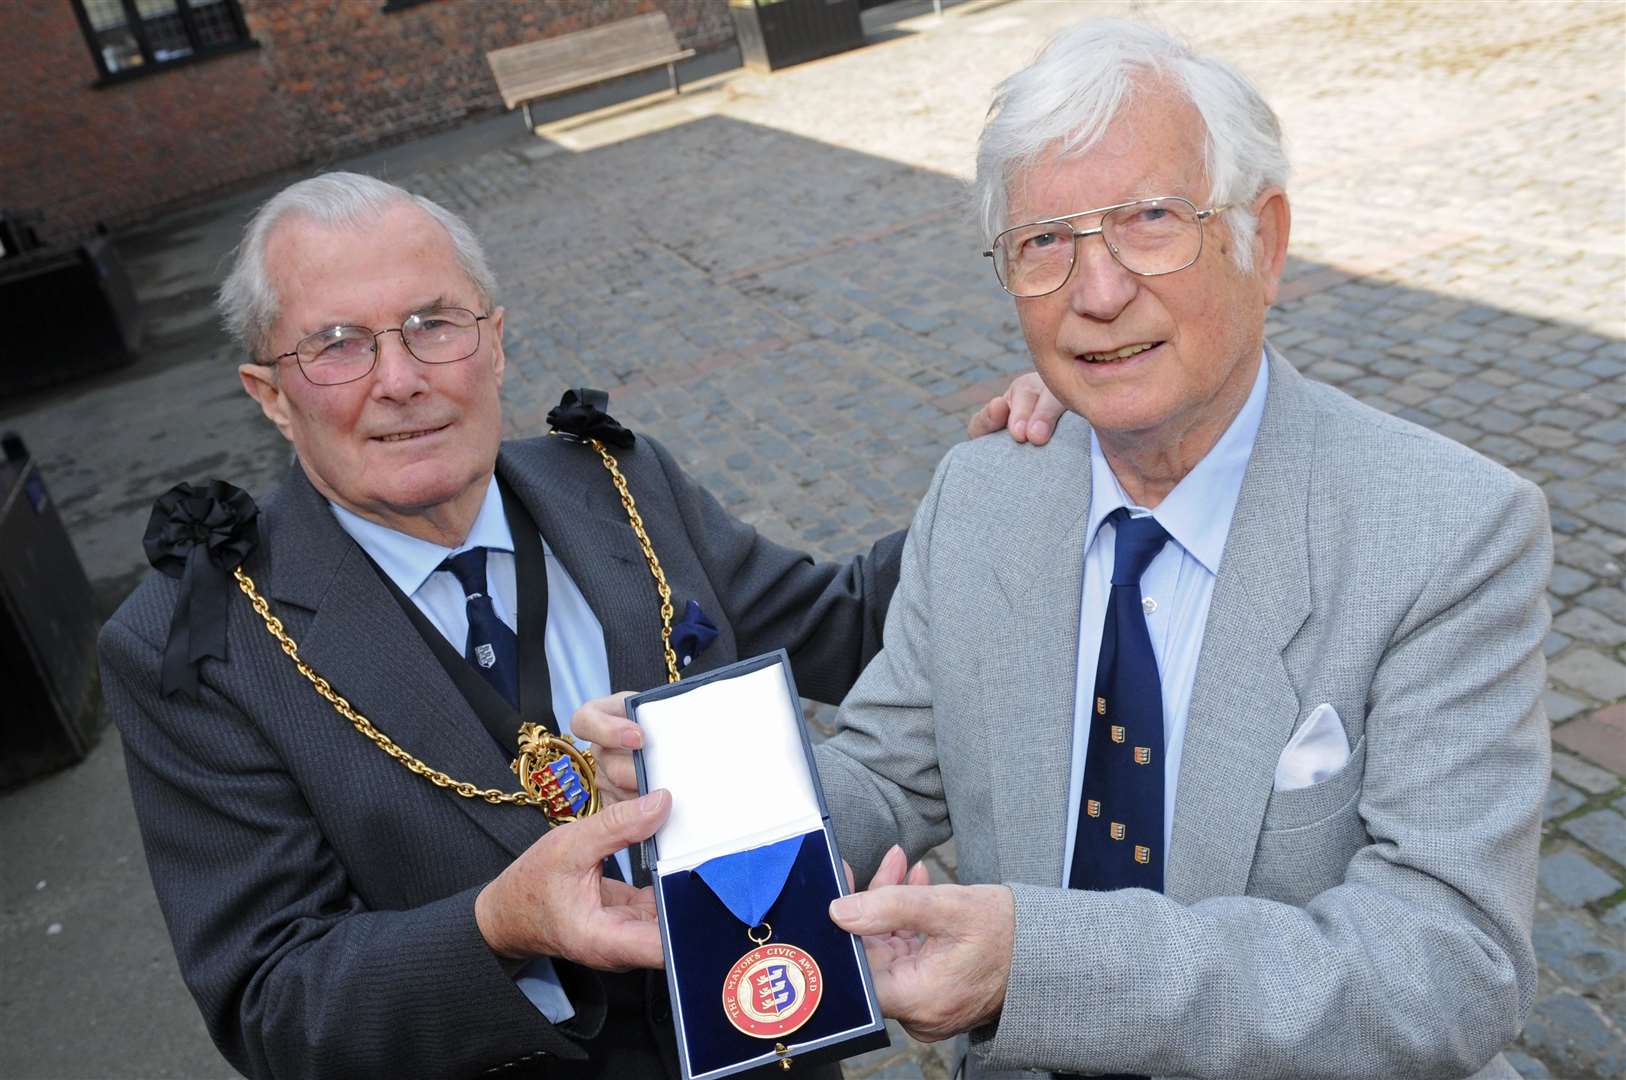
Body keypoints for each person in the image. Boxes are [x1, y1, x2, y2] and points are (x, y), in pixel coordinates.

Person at [577, 18, 1552, 1080]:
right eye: (1046, 242)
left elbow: (1448, 968)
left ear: (1262, 243)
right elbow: (890, 772)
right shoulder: (987, 491)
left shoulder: (1449, 530)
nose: (1096, 293)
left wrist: (1035, 967)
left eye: (1148, 221)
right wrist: (697, 807)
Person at [98, 171, 1059, 1080]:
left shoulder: (616, 482)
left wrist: (1005, 477)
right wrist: (497, 927)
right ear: (270, 394)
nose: (398, 378)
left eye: (434, 324)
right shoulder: (200, 644)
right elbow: (272, 1006)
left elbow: (845, 626)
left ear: (498, 341)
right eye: (338, 344)